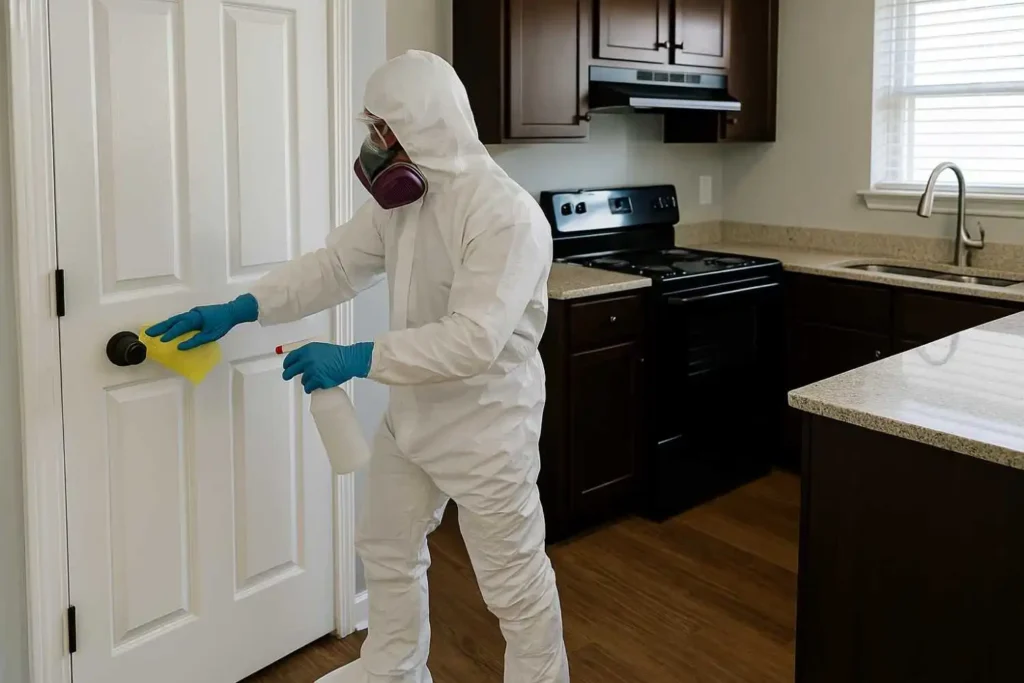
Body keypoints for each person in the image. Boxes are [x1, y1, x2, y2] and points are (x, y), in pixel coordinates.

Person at [146, 50, 569, 683]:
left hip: (487, 431)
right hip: (412, 419)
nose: (372, 146)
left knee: (513, 584)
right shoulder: (404, 202)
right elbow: (336, 266)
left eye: (380, 130)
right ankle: (394, 671)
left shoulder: (506, 216)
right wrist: (245, 306)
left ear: (420, 126)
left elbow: (472, 341)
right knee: (387, 549)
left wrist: (356, 357)